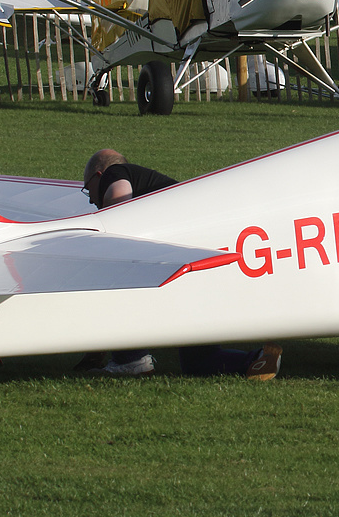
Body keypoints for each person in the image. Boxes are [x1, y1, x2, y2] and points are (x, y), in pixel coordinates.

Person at [78, 149, 281, 381]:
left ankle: (130, 361)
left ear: (99, 174)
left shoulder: (114, 173)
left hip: (189, 259)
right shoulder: (144, 183)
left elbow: (118, 213)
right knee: (198, 361)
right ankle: (260, 359)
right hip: (203, 257)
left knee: (118, 272)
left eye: (88, 189)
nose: (92, 199)